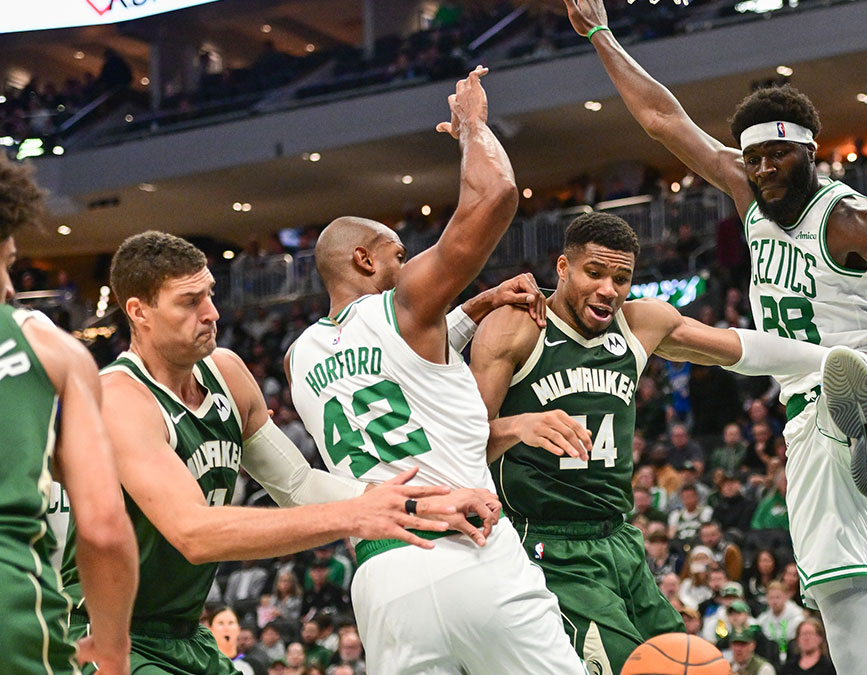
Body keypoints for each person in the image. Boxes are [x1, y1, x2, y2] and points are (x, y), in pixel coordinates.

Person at [564, 1, 867, 672]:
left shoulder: (849, 216)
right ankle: (864, 433)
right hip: (805, 420)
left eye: (779, 154)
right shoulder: (746, 191)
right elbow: (662, 119)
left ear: (809, 151)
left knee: (855, 373)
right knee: (837, 583)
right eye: (757, 157)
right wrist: (600, 33)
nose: (765, 167)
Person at [470, 212, 867, 672]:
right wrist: (517, 426)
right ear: (563, 268)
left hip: (620, 538)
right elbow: (463, 443)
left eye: (622, 278)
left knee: (691, 664)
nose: (609, 288)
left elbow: (741, 349)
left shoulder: (640, 324)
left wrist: (846, 360)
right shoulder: (517, 325)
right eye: (595, 273)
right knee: (629, 666)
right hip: (546, 543)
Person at [58, 229, 480, 675]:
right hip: (104, 636)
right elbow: (195, 533)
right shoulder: (120, 399)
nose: (211, 313)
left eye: (210, 295)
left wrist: (417, 503)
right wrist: (357, 515)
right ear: (139, 313)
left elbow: (297, 484)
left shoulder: (226, 372)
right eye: (189, 302)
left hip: (184, 632)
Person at [287, 68, 585, 675]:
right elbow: (497, 194)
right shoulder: (401, 307)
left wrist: (477, 306)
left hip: (382, 578)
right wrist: (472, 124)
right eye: (399, 254)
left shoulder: (299, 358)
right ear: (364, 258)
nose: (407, 264)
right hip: (468, 546)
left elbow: (397, 372)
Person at [0, 155, 139, 675]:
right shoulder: (46, 347)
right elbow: (103, 528)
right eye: (7, 261)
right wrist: (112, 646)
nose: (11, 286)